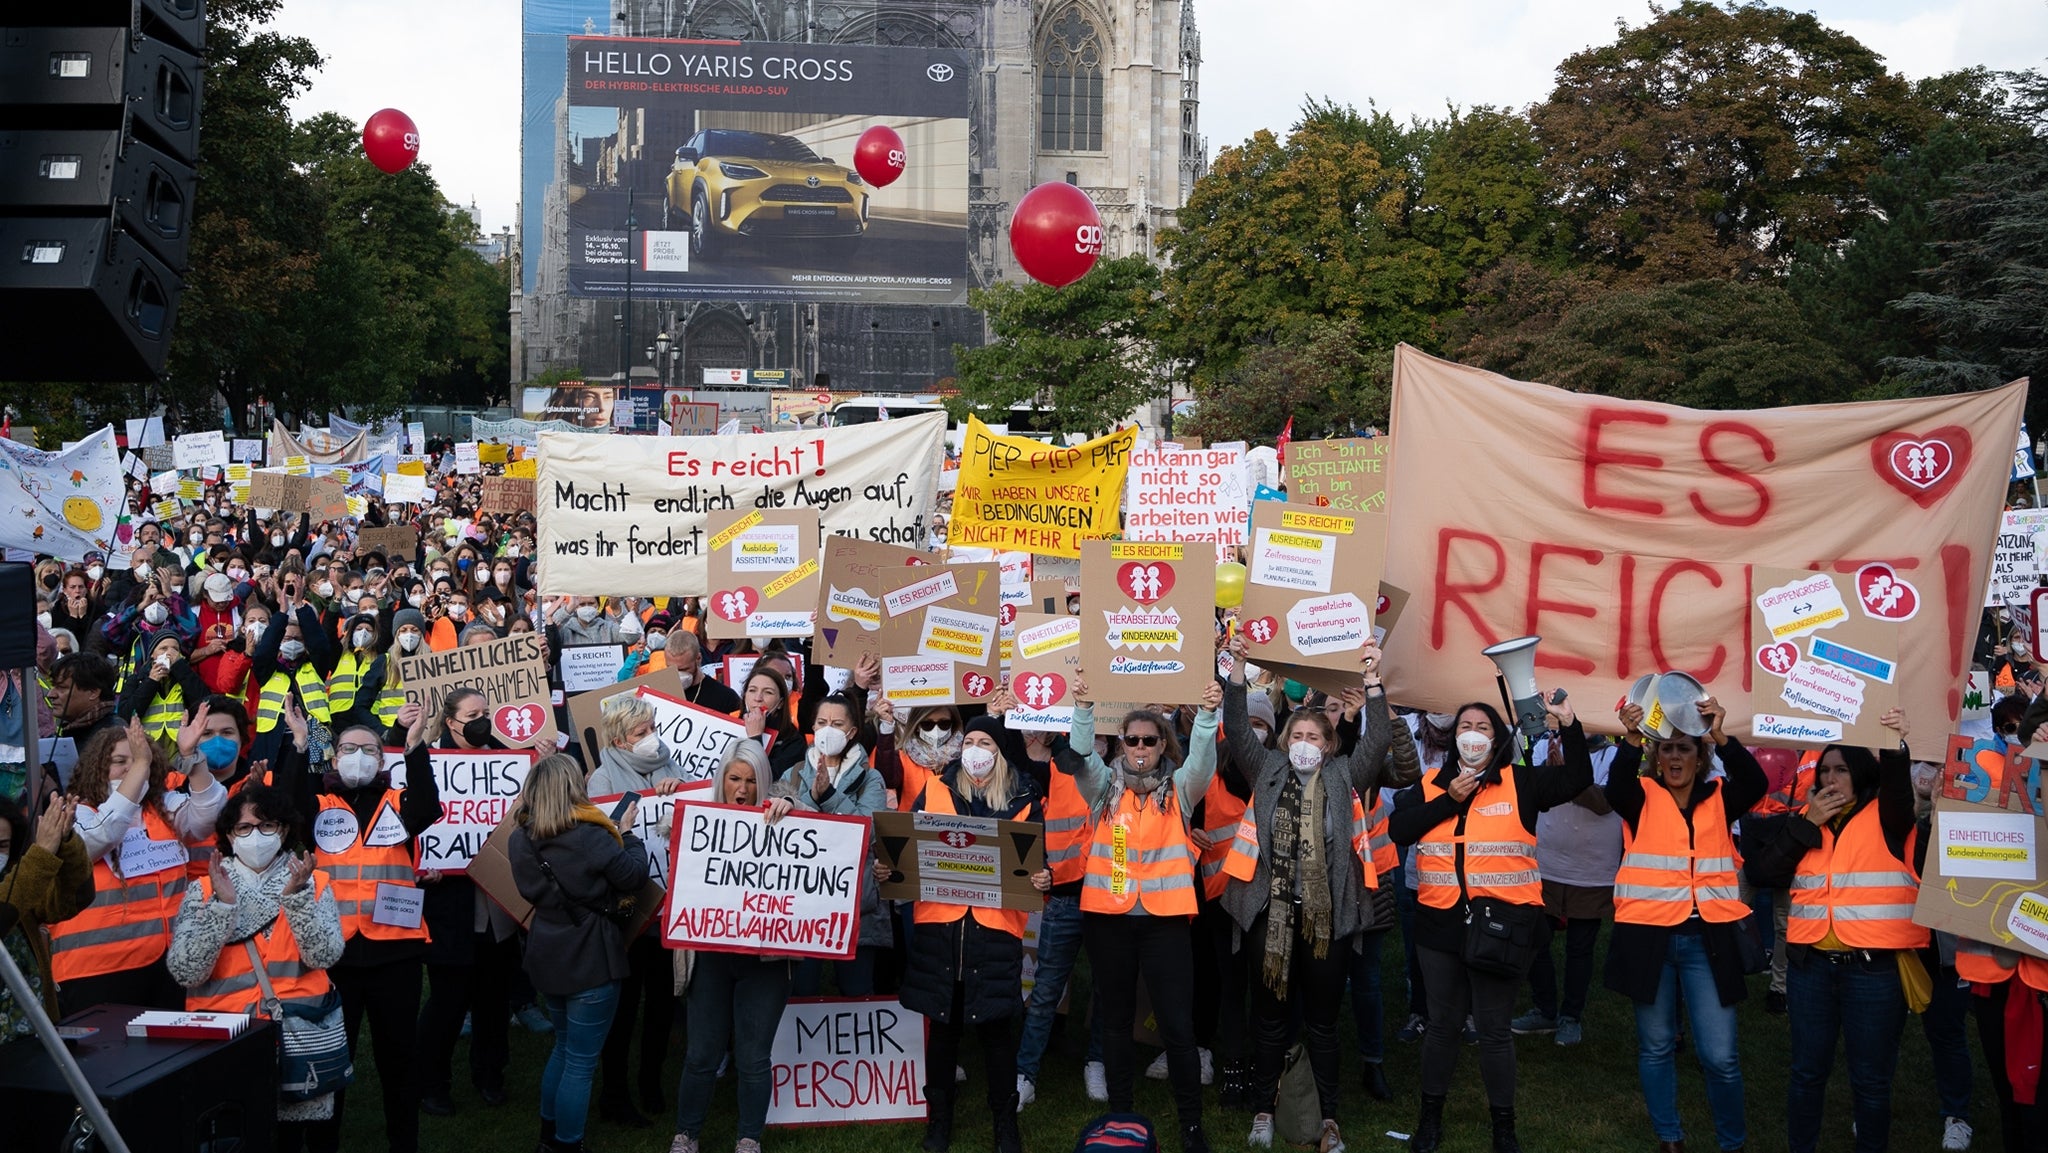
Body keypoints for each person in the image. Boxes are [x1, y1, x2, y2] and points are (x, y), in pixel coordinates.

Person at [1217, 636, 1409, 1153]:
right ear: (1285, 740)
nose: (1304, 741)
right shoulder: (1267, 771)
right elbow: (1236, 727)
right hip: (1269, 915)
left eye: (1313, 735)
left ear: (1328, 745)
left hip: (1329, 920)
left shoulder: (1348, 774)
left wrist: (1373, 681)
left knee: (1324, 1023)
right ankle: (1263, 1108)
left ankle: (1328, 1120)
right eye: (1296, 733)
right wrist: (1237, 668)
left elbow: (1375, 744)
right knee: (1270, 1018)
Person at [1388, 692, 1589, 1153]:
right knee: (1443, 1026)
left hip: (1501, 928)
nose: (1472, 735)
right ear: (1452, 738)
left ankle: (1504, 1128)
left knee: (1495, 1029)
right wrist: (1449, 801)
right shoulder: (1431, 783)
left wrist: (1570, 725)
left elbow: (1578, 778)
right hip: (1438, 927)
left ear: (1497, 739)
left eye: (1482, 727)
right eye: (1463, 727)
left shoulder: (1521, 783)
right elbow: (1400, 831)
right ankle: (1429, 1121)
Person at [1744, 709, 1922, 1153]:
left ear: (1860, 773)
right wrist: (1806, 827)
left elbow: (1899, 790)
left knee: (1871, 1081)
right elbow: (1765, 872)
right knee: (1806, 1074)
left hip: (1873, 973)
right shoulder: (1805, 819)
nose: (1830, 779)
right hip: (1811, 970)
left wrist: (1895, 748)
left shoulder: (1887, 815)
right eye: (1824, 771)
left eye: (1841, 770)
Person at [1067, 671, 1223, 1153]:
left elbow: (1202, 761)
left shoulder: (1179, 791)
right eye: (1131, 739)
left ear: (1162, 745)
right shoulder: (1102, 790)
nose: (1139, 746)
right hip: (1109, 922)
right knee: (1114, 1021)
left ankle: (1191, 1124)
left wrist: (1208, 716)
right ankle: (1120, 1115)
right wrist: (1084, 708)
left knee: (1178, 1026)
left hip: (1165, 924)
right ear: (1120, 744)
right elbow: (1080, 758)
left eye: (1149, 740)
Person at [1606, 695, 1765, 1153]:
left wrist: (1720, 734)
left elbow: (1754, 781)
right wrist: (1633, 738)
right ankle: (1669, 1139)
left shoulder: (1720, 799)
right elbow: (1617, 786)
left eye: (1685, 749)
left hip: (1707, 940)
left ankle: (1731, 1143)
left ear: (1700, 758)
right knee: (1655, 1048)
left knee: (1721, 1057)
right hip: (1649, 938)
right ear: (1657, 757)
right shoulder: (1642, 797)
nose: (1675, 757)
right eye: (1667, 749)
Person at [896, 713, 1049, 1153]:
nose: (975, 749)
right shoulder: (936, 788)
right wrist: (892, 865)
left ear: (1000, 751)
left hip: (995, 932)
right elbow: (907, 845)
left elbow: (1035, 864)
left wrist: (1044, 879)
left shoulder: (1023, 797)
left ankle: (1005, 1126)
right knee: (942, 1032)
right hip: (940, 929)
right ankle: (938, 1122)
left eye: (986, 742)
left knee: (997, 1034)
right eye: (971, 741)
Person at [166, 783, 346, 1146]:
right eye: (244, 828)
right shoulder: (203, 890)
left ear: (283, 831)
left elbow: (324, 955)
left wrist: (296, 900)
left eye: (266, 826)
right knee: (233, 1135)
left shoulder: (314, 883)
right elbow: (186, 971)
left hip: (299, 1040)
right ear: (229, 836)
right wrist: (223, 907)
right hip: (225, 1043)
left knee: (291, 1139)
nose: (255, 836)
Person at [295, 711, 438, 1153]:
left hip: (394, 951)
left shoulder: (397, 799)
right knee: (333, 1056)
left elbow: (427, 808)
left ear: (382, 760)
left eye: (370, 750)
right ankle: (323, 1144)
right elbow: (290, 807)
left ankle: (404, 1142)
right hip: (333, 952)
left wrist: (414, 748)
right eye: (349, 749)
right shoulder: (318, 803)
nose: (359, 756)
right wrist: (302, 749)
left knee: (398, 1056)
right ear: (334, 759)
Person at [510, 753, 650, 1153]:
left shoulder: (521, 837)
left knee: (564, 1047)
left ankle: (547, 1137)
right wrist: (630, 835)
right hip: (590, 957)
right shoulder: (590, 836)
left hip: (548, 950)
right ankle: (568, 1144)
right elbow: (634, 875)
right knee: (581, 1062)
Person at [52, 714, 228, 1013]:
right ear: (98, 766)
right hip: (96, 970)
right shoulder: (77, 813)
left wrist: (192, 758)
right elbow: (100, 836)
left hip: (166, 964)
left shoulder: (162, 808)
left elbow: (207, 815)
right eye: (120, 761)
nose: (130, 768)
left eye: (138, 760)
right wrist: (141, 766)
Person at [669, 741, 796, 1153]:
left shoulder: (784, 814)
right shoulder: (697, 819)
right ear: (721, 779)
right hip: (710, 959)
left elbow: (818, 830)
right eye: (734, 779)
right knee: (701, 1054)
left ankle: (748, 1139)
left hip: (765, 961)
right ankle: (686, 1135)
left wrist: (790, 809)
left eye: (751, 781)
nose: (742, 789)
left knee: (754, 1058)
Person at [589, 693, 691, 1127]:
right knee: (623, 1006)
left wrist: (678, 795)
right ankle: (614, 1093)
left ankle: (651, 1081)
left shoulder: (672, 766)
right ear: (619, 739)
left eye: (652, 729)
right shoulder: (600, 779)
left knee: (662, 1003)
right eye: (641, 732)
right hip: (627, 911)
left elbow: (699, 817)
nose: (652, 738)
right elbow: (600, 843)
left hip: (667, 908)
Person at [1512, 719, 1623, 1047]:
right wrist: (1551, 773)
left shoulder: (1615, 756)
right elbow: (1528, 791)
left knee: (1580, 947)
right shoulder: (1542, 748)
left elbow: (1604, 804)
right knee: (1535, 939)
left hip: (1591, 870)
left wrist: (1568, 776)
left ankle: (1570, 1016)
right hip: (1544, 863)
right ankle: (1544, 1008)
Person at [0, 793, 92, 1043]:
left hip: (37, 1038)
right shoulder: (23, 881)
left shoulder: (17, 880)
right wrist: (41, 853)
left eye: (2, 846)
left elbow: (74, 898)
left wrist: (65, 843)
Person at [736, 666, 804, 780]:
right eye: (752, 690)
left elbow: (768, 780)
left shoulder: (793, 741)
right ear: (744, 696)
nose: (758, 698)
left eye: (768, 692)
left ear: (781, 703)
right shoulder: (726, 725)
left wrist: (755, 739)